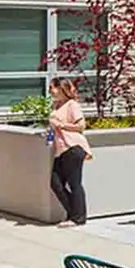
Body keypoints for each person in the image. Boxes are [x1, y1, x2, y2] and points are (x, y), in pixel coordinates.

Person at [48, 78, 92, 226]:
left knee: (74, 183)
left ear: (62, 89)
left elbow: (81, 126)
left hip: (73, 147)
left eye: (52, 88)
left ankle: (78, 218)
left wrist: (61, 125)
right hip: (60, 149)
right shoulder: (56, 105)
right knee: (55, 183)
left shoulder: (72, 105)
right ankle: (72, 214)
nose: (50, 91)